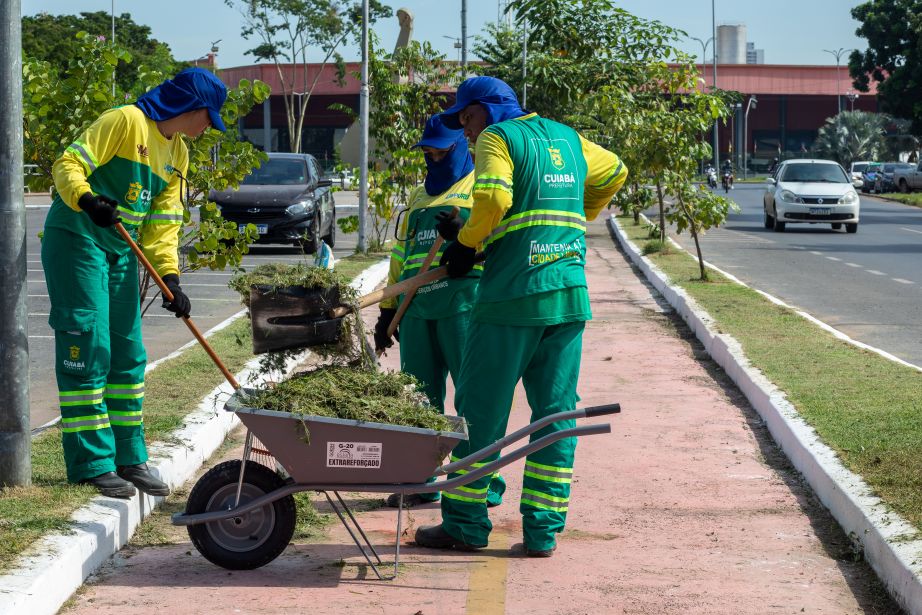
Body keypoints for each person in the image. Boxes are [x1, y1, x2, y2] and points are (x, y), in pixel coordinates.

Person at [414, 76, 628, 557]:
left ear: (486, 111)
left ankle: (465, 524)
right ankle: (542, 531)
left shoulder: (499, 137)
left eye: (466, 118)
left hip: (512, 297)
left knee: (480, 413)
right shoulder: (568, 138)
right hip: (567, 294)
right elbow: (615, 170)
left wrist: (466, 242)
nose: (465, 131)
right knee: (556, 416)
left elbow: (493, 199)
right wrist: (579, 212)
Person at [41, 68, 228, 498]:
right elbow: (68, 163)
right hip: (78, 238)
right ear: (192, 107)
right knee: (90, 348)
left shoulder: (177, 152)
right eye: (208, 118)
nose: (208, 128)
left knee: (128, 353)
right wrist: (88, 200)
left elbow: (164, 222)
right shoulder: (126, 121)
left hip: (121, 250)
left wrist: (170, 277)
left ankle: (130, 457)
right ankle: (93, 462)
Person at [374, 115, 506, 508]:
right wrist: (388, 309)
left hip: (464, 306)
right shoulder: (418, 196)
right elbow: (401, 254)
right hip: (417, 307)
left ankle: (482, 483)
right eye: (427, 155)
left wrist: (468, 234)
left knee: (474, 398)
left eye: (441, 153)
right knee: (418, 399)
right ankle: (420, 479)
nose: (433, 161)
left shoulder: (482, 188)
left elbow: (500, 239)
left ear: (461, 148)